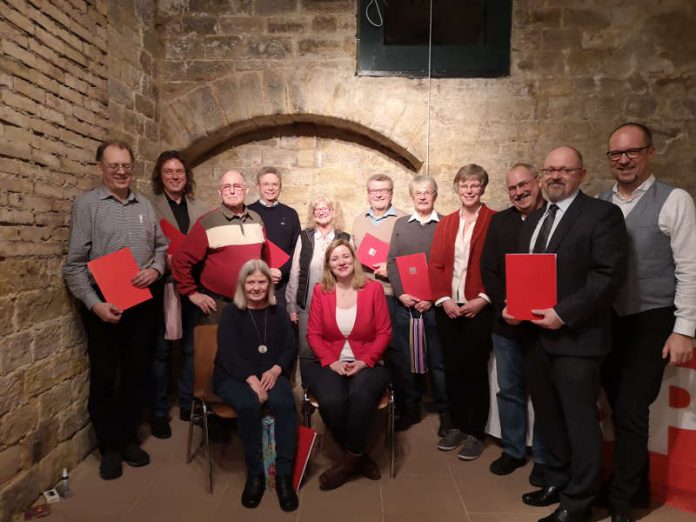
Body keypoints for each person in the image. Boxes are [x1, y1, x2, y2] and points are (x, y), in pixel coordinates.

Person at [505, 146, 627, 522]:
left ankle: (580, 501)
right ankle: (557, 480)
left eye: (564, 170)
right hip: (537, 338)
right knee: (549, 417)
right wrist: (514, 307)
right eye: (550, 170)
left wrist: (564, 312)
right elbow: (530, 272)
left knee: (580, 421)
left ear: (582, 174)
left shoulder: (602, 214)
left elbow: (607, 276)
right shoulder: (537, 218)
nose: (555, 176)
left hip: (578, 339)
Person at [598, 123, 695, 522]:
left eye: (632, 152)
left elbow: (690, 268)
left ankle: (621, 502)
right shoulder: (602, 203)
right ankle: (633, 485)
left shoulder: (674, 200)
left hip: (653, 320)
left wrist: (684, 328)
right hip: (609, 321)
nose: (623, 160)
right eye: (616, 154)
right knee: (618, 409)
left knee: (633, 408)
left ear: (650, 153)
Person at [63, 140, 168, 480]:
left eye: (126, 165)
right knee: (106, 375)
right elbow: (74, 266)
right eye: (114, 166)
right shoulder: (87, 206)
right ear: (100, 168)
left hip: (141, 304)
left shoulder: (146, 205)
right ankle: (108, 446)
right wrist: (95, 305)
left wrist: (155, 269)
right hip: (104, 305)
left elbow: (162, 249)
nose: (121, 171)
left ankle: (126, 439)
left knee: (137, 373)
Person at [305, 239, 391, 490]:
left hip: (368, 360)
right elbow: (313, 334)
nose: (341, 262)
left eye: (346, 256)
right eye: (335, 259)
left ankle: (346, 464)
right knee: (331, 401)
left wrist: (365, 361)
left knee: (361, 396)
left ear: (354, 259)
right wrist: (331, 362)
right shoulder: (321, 291)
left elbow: (384, 332)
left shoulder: (373, 289)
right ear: (329, 265)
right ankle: (359, 457)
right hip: (331, 361)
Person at [480, 163, 548, 482]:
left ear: (539, 182)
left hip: (546, 324)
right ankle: (513, 449)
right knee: (509, 389)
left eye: (524, 184)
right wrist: (507, 304)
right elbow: (489, 268)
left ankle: (546, 457)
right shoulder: (499, 222)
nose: (519, 192)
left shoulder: (554, 217)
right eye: (512, 188)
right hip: (505, 321)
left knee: (545, 391)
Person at [214, 259, 299, 512]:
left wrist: (276, 369)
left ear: (269, 284)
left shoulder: (278, 311)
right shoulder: (231, 312)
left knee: (285, 404)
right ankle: (255, 476)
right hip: (233, 375)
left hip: (270, 374)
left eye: (261, 281)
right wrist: (251, 380)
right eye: (250, 282)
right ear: (242, 284)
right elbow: (228, 354)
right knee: (248, 405)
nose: (256, 287)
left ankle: (283, 476)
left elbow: (289, 346)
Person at [429, 164, 495, 460]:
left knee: (475, 370)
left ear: (482, 188)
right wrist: (444, 299)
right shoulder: (447, 223)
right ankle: (455, 424)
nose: (469, 190)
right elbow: (437, 265)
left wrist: (482, 298)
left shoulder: (494, 220)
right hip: (449, 307)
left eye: (475, 185)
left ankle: (475, 432)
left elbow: (497, 266)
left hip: (478, 308)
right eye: (464, 185)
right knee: (452, 368)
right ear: (456, 188)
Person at [148, 150, 210, 438]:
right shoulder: (149, 206)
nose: (175, 176)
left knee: (191, 349)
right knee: (160, 352)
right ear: (160, 177)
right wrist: (164, 262)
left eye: (179, 172)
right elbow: (143, 245)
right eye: (169, 172)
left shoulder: (201, 209)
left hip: (194, 286)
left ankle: (188, 403)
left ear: (187, 177)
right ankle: (159, 412)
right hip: (162, 286)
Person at [386, 175, 451, 435]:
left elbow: (449, 266)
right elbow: (392, 262)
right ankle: (411, 409)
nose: (423, 196)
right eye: (418, 193)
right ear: (412, 196)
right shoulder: (402, 224)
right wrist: (401, 294)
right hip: (406, 306)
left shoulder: (446, 224)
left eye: (428, 192)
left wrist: (433, 299)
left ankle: (447, 413)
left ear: (435, 195)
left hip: (435, 307)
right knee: (407, 360)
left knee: (438, 361)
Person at [171, 169, 274, 325]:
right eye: (227, 186)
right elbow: (180, 260)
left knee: (249, 349)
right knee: (215, 349)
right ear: (220, 192)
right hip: (218, 306)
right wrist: (191, 293)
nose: (232, 191)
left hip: (252, 303)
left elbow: (264, 259)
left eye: (237, 186)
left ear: (246, 190)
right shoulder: (207, 222)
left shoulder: (256, 219)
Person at [351, 174, 406, 420]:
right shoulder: (358, 220)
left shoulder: (403, 219)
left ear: (392, 193)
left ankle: (401, 408)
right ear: (368, 193)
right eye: (374, 190)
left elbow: (412, 261)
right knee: (367, 350)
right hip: (363, 295)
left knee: (395, 351)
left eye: (384, 190)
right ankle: (370, 403)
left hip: (390, 294)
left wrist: (391, 269)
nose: (379, 194)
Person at [285, 194, 350, 382]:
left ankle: (331, 388)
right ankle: (308, 391)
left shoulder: (345, 238)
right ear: (313, 214)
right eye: (317, 209)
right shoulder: (304, 237)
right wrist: (291, 305)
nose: (321, 212)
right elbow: (295, 272)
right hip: (306, 305)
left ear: (333, 212)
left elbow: (352, 273)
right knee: (306, 350)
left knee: (334, 347)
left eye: (326, 208)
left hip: (337, 304)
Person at [248, 167, 301, 308]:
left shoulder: (291, 214)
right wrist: (263, 272)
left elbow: (296, 250)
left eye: (274, 184)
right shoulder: (248, 213)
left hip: (282, 284)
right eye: (266, 184)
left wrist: (281, 271)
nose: (270, 188)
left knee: (281, 327)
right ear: (258, 186)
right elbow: (243, 249)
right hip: (254, 282)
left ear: (280, 187)